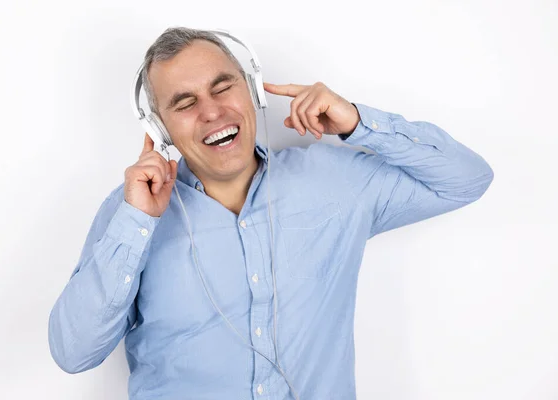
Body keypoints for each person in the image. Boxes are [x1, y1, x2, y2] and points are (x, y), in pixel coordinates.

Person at [48, 27, 494, 400]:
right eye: (184, 104)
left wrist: (359, 122)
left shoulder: (333, 181)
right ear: (158, 127)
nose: (212, 112)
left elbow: (466, 179)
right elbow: (73, 353)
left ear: (252, 89)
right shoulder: (130, 211)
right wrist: (137, 223)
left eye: (223, 87)